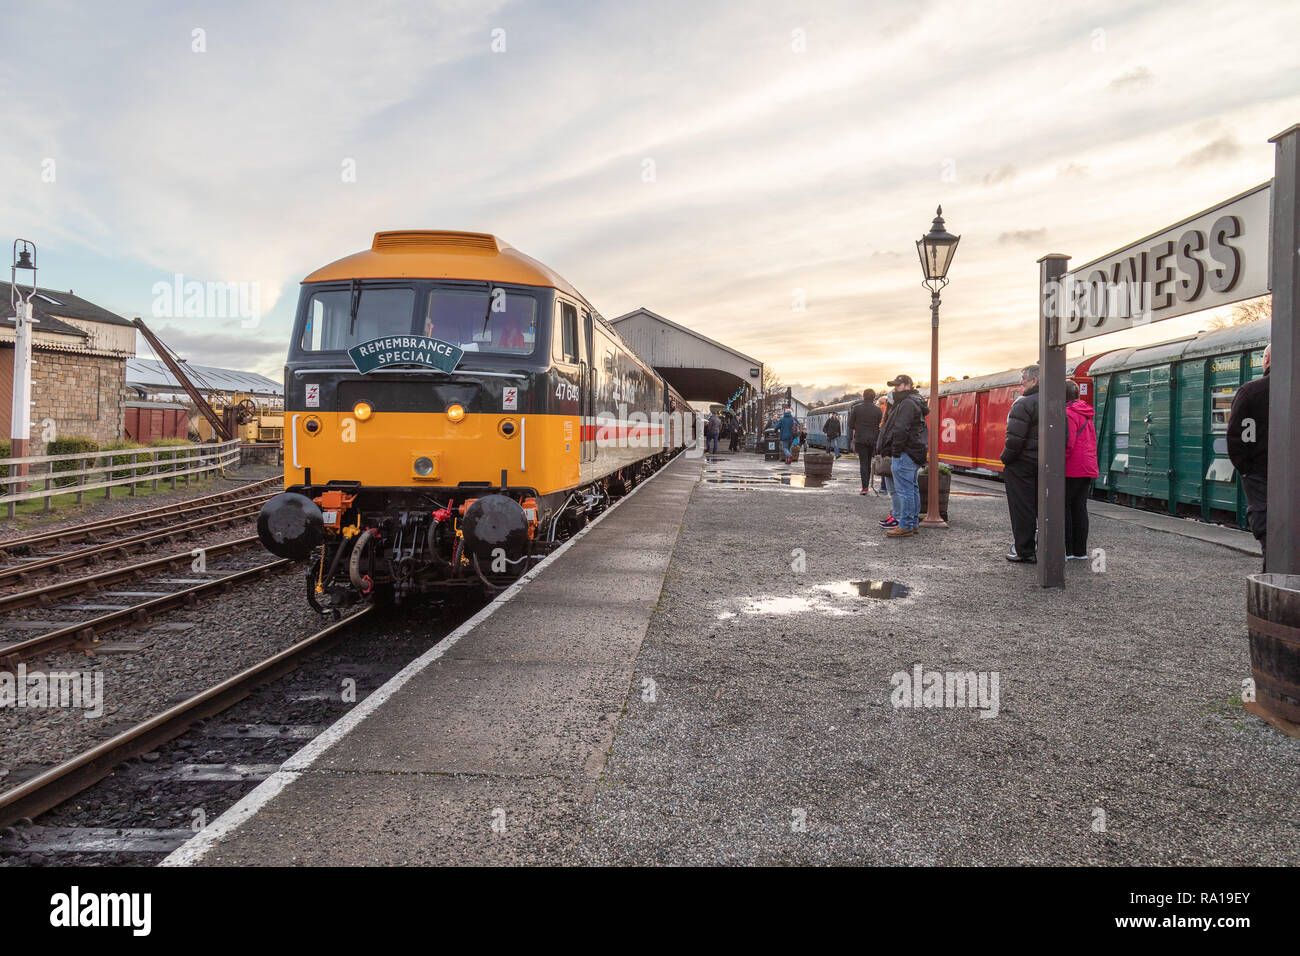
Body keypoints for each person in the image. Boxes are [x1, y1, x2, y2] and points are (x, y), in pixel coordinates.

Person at [1228, 343, 1270, 561]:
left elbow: (1236, 435)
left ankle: (1273, 578)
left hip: (1259, 473)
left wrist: (1245, 470)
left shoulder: (1251, 392)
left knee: (1265, 523)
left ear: (1266, 361)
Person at [877, 375, 928, 538]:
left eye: (898, 385)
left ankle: (905, 525)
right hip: (913, 451)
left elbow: (900, 429)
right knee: (912, 490)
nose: (895, 388)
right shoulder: (914, 401)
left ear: (907, 385)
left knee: (904, 491)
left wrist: (896, 451)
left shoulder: (907, 403)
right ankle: (912, 524)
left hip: (905, 452)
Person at [1001, 365, 1040, 563]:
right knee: (1045, 507)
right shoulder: (1057, 403)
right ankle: (1047, 547)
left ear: (1034, 381)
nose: (1021, 382)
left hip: (1022, 464)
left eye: (1024, 378)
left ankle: (1024, 550)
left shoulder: (1023, 404)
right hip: (1047, 464)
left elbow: (1014, 439)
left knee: (1022, 508)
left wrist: (1006, 459)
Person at [1064, 380, 1099, 560]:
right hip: (1088, 466)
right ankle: (1080, 551)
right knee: (1080, 508)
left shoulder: (1069, 413)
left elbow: (1068, 444)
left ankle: (1068, 550)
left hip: (1072, 467)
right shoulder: (1086, 412)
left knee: (1065, 507)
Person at [848, 388, 882, 494]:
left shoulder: (856, 409)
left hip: (860, 439)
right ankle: (867, 485)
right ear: (874, 397)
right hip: (873, 440)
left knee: (863, 463)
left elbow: (850, 424)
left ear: (863, 396)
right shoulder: (878, 410)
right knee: (868, 462)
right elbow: (879, 423)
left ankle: (865, 487)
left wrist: (858, 427)